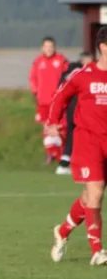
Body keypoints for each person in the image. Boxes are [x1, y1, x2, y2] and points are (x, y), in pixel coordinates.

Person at [47, 27, 107, 266]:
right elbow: (60, 96)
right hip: (88, 141)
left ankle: (62, 232)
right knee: (97, 193)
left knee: (89, 198)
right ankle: (97, 251)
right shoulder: (83, 74)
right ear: (103, 47)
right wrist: (53, 122)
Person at [29, 36, 69, 164]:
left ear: (54, 47)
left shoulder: (61, 60)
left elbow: (69, 77)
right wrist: (35, 93)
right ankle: (51, 153)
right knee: (46, 127)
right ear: (42, 48)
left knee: (60, 127)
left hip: (58, 101)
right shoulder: (38, 62)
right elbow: (33, 79)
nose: (49, 49)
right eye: (46, 46)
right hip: (43, 101)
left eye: (51, 46)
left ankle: (63, 153)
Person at [54, 51, 94, 175]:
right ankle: (82, 165)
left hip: (74, 108)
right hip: (80, 108)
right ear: (82, 61)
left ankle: (66, 163)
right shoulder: (81, 72)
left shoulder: (70, 71)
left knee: (73, 135)